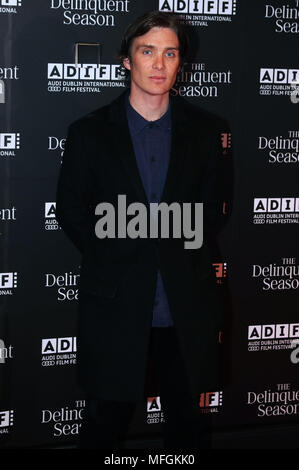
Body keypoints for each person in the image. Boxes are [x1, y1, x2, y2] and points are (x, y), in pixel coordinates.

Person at [56, 10, 226, 450]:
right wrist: (115, 252)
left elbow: (212, 211)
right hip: (114, 306)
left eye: (169, 54)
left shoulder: (208, 133)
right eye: (147, 51)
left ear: (179, 64)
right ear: (126, 61)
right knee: (102, 429)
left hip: (184, 307)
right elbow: (71, 211)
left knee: (187, 431)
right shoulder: (88, 133)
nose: (158, 64)